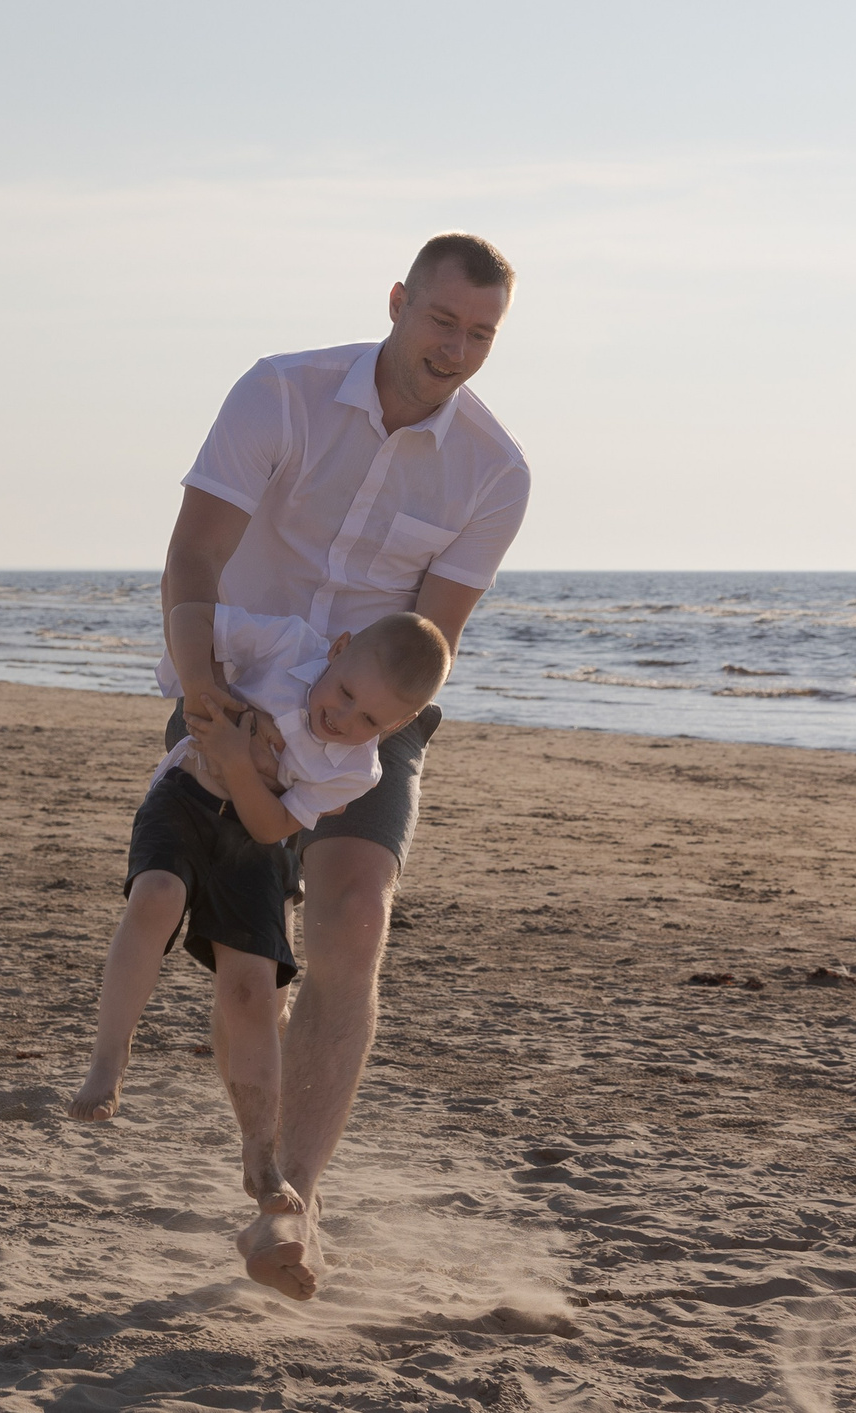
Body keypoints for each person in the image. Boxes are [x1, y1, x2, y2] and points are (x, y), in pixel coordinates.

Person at [156, 232, 529, 1299]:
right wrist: (212, 707)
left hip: (366, 704)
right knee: (247, 956)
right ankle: (259, 1152)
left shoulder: (495, 470)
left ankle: (295, 1200)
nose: (456, 349)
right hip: (228, 674)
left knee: (355, 912)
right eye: (442, 321)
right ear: (399, 300)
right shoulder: (281, 391)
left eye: (482, 334)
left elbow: (428, 647)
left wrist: (342, 741)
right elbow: (193, 555)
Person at [67, 606, 450, 1290]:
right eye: (346, 694)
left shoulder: (356, 770)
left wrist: (243, 759)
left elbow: (273, 819)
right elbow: (196, 636)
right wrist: (218, 705)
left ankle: (260, 1152)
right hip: (184, 799)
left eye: (371, 720)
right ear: (334, 650)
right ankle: (108, 1057)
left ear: (394, 730)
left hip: (256, 838)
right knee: (155, 895)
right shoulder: (283, 641)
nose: (345, 720)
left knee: (251, 988)